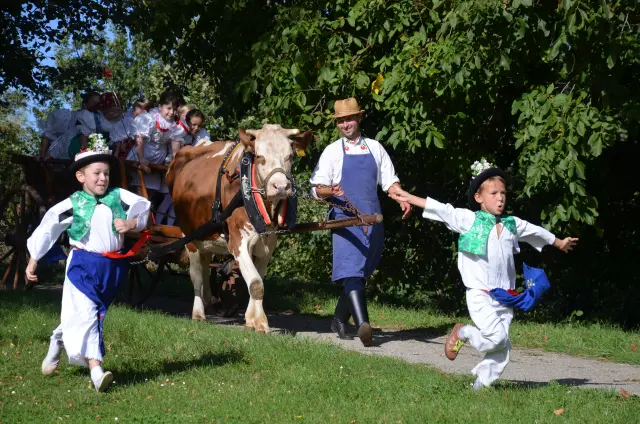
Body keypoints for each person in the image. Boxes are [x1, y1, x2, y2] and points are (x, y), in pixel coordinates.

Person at [388, 158, 578, 389]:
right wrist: (408, 197)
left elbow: (536, 231)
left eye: (503, 193)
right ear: (479, 197)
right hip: (480, 294)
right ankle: (464, 332)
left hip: (506, 296)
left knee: (502, 346)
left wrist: (559, 242)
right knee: (496, 338)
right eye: (493, 193)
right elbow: (441, 209)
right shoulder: (469, 220)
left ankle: (480, 386)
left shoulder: (511, 224)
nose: (500, 198)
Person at [26, 134, 151, 392]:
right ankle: (97, 372)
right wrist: (33, 260)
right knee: (88, 316)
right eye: (97, 173)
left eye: (106, 173)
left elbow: (143, 207)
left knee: (88, 315)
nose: (103, 178)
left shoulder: (118, 196)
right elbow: (49, 226)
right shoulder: (73, 204)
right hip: (83, 267)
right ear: (81, 176)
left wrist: (131, 223)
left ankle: (57, 339)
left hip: (112, 269)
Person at [310, 97, 411, 347]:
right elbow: (316, 189)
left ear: (359, 119)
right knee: (351, 269)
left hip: (373, 219)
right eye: (341, 121)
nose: (345, 124)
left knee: (361, 271)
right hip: (344, 220)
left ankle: (338, 320)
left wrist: (402, 198)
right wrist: (330, 190)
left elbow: (390, 182)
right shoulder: (332, 151)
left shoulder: (375, 148)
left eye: (350, 119)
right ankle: (363, 324)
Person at [39, 91, 102, 160]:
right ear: (85, 104)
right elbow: (48, 134)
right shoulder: (67, 116)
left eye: (98, 104)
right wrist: (42, 156)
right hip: (62, 154)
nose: (96, 106)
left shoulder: (102, 122)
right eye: (94, 103)